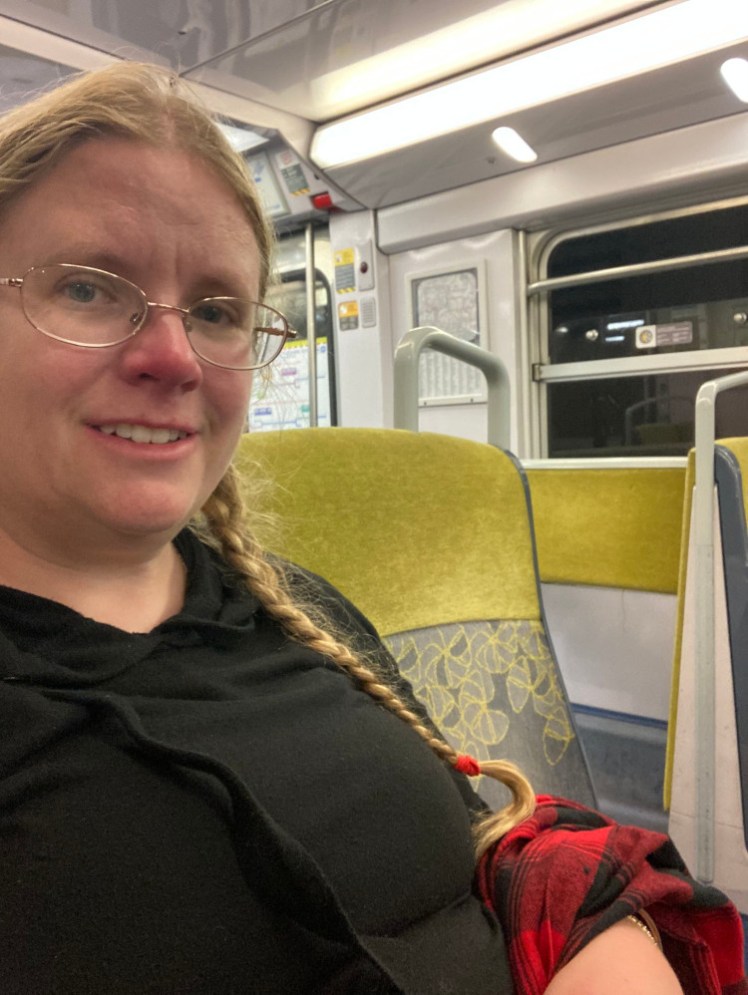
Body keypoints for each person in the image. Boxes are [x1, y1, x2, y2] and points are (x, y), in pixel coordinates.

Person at [0, 61, 743, 995]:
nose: (173, 356)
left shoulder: (298, 605)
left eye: (220, 311)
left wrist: (608, 943)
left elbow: (488, 838)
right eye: (89, 287)